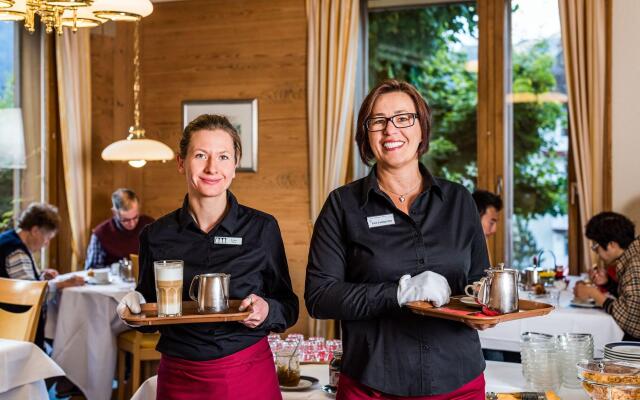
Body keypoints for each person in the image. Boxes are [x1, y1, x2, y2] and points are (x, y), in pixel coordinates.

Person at [305, 80, 492, 399]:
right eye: (378, 121)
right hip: (372, 383)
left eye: (403, 118)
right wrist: (399, 293)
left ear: (422, 127)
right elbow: (320, 297)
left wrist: (485, 310)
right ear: (366, 135)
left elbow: (478, 281)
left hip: (457, 380)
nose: (391, 130)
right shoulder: (342, 206)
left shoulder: (459, 200)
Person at [117, 114, 299, 399]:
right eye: (201, 155)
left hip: (246, 371)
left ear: (235, 165)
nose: (213, 167)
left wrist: (266, 311)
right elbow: (150, 311)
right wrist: (133, 307)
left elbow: (288, 307)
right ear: (181, 162)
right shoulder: (156, 234)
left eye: (224, 156)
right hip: (179, 376)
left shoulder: (262, 228)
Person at [0, 203, 84, 349]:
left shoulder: (9, 239)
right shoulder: (16, 252)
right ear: (34, 231)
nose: (47, 243)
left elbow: (19, 280)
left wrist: (41, 276)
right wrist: (61, 283)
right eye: (47, 237)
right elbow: (29, 296)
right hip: (13, 334)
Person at [574, 211, 640, 341]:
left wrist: (595, 294)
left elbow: (634, 321)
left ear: (612, 245)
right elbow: (632, 300)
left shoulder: (635, 264)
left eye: (595, 246)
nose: (596, 251)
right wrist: (608, 284)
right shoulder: (632, 255)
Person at [84, 188, 154, 270]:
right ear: (115, 212)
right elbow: (92, 270)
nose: (132, 224)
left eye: (135, 217)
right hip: (114, 280)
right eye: (126, 220)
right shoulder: (101, 234)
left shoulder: (149, 226)